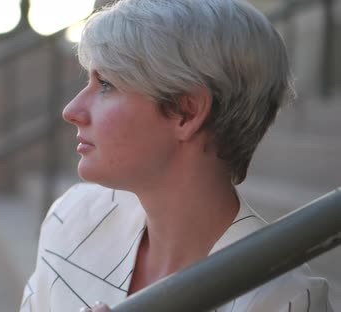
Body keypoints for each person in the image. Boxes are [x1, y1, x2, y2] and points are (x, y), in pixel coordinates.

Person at [19, 0, 335, 311]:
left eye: (105, 84)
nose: (71, 110)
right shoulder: (74, 217)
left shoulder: (284, 299)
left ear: (187, 111)